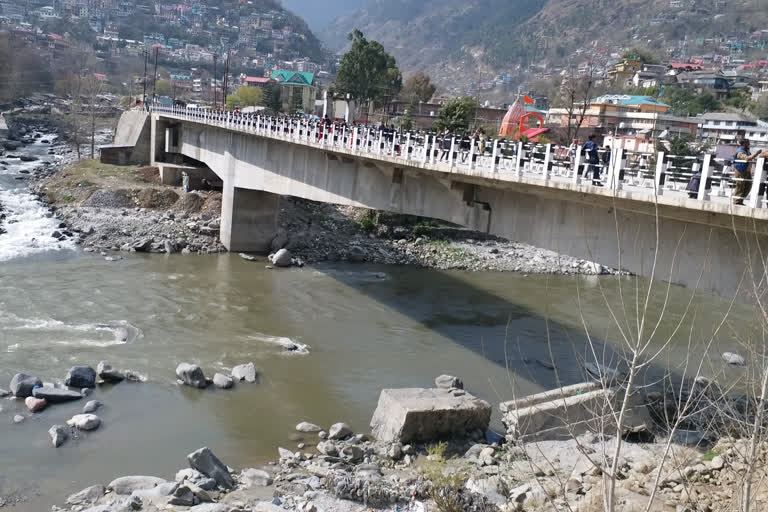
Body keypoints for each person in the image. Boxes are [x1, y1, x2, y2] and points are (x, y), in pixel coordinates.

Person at [733, 139, 768, 205]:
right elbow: (747, 158)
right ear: (744, 144)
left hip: (747, 171)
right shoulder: (740, 152)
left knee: (748, 185)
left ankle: (740, 200)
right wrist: (756, 153)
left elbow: (751, 158)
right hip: (740, 170)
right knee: (740, 186)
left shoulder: (747, 151)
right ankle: (736, 201)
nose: (749, 144)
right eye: (747, 143)